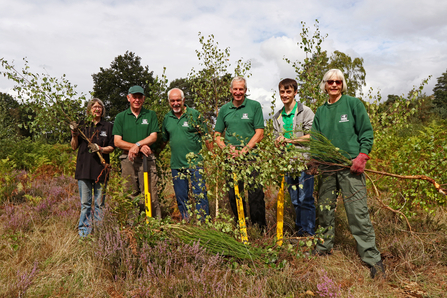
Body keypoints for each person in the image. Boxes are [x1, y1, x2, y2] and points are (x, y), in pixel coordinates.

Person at [312, 69, 385, 278]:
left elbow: (366, 131)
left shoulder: (353, 104)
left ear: (342, 84)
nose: (334, 85)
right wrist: (314, 161)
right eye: (330, 82)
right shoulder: (321, 111)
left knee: (358, 213)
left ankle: (372, 259)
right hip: (327, 168)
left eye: (338, 81)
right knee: (324, 209)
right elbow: (316, 139)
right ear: (325, 85)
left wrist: (362, 156)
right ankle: (323, 247)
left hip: (350, 168)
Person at [214, 76, 266, 230]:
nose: (238, 92)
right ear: (231, 90)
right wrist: (226, 148)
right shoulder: (224, 109)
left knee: (255, 194)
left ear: (245, 90)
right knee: (234, 194)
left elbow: (260, 133)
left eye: (241, 89)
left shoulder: (254, 106)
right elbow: (217, 135)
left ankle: (259, 229)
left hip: (251, 157)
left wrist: (246, 149)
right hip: (231, 159)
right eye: (235, 89)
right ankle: (241, 226)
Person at [272, 78, 315, 237]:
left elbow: (312, 135)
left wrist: (291, 140)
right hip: (288, 164)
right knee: (296, 200)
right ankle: (300, 232)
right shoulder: (277, 116)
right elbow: (275, 138)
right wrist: (277, 142)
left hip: (305, 162)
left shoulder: (306, 111)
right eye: (282, 91)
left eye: (288, 91)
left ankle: (309, 234)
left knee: (306, 200)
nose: (285, 94)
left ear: (295, 92)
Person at [161, 88, 211, 220]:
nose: (176, 103)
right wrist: (155, 153)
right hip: (177, 165)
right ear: (169, 102)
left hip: (195, 163)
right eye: (173, 101)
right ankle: (186, 222)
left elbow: (206, 137)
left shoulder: (194, 115)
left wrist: (214, 155)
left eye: (178, 100)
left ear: (183, 100)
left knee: (200, 194)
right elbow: (163, 140)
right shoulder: (167, 118)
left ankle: (203, 222)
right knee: (181, 196)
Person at [112, 85, 161, 218]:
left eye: (140, 97)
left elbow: (153, 136)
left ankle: (153, 224)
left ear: (143, 99)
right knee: (129, 193)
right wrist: (136, 147)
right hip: (128, 159)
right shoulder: (121, 117)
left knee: (150, 192)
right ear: (129, 98)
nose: (137, 100)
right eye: (134, 97)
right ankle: (131, 226)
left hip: (147, 158)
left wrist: (138, 145)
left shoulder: (150, 115)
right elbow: (117, 141)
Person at [71, 98, 114, 237]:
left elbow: (112, 147)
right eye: (94, 106)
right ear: (89, 110)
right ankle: (84, 232)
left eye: (99, 107)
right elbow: (73, 146)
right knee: (85, 203)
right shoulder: (82, 126)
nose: (97, 109)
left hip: (101, 170)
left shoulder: (108, 126)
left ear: (102, 110)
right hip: (84, 169)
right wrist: (74, 134)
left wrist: (100, 148)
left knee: (100, 204)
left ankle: (100, 232)